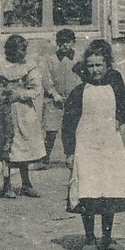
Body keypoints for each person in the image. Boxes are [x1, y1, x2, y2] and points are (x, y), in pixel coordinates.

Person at [62, 41, 125, 250]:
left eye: (99, 65)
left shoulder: (116, 89)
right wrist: (69, 152)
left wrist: (120, 119)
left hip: (110, 146)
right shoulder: (79, 92)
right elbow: (68, 123)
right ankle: (89, 238)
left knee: (109, 189)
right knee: (89, 190)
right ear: (85, 68)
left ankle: (107, 238)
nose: (95, 70)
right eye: (91, 66)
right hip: (86, 145)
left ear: (107, 66)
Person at [0, 34, 48, 197]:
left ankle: (26, 183)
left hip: (24, 111)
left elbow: (36, 89)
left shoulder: (30, 67)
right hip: (5, 111)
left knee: (24, 146)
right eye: (21, 49)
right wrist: (1, 94)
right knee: (8, 147)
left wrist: (19, 94)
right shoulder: (0, 67)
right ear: (11, 50)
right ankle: (7, 185)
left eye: (25, 49)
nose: (24, 52)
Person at [39, 29, 81, 168]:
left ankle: (70, 156)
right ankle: (45, 158)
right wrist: (53, 93)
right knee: (51, 130)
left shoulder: (78, 59)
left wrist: (77, 95)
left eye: (67, 42)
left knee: (70, 129)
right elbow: (46, 78)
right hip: (54, 101)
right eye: (61, 42)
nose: (64, 45)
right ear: (57, 43)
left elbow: (81, 79)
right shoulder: (51, 60)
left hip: (73, 100)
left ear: (73, 42)